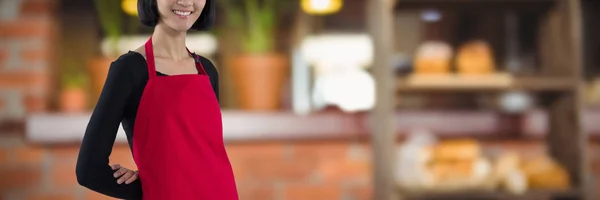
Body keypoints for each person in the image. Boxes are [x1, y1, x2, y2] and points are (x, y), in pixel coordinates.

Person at [75, 0, 238, 199]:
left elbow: (203, 156)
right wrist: (151, 188)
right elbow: (89, 170)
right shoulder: (129, 70)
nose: (186, 2)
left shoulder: (207, 70)